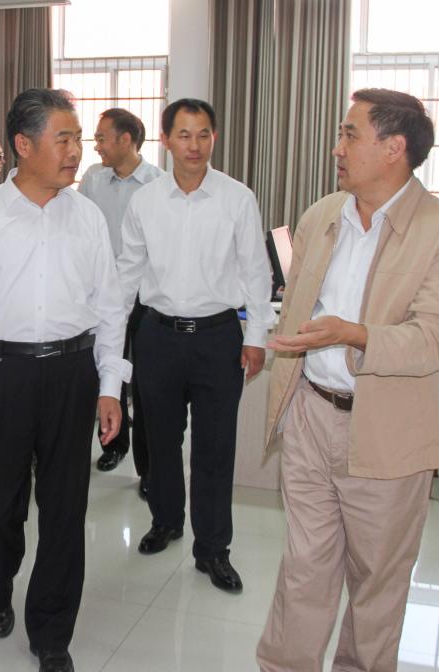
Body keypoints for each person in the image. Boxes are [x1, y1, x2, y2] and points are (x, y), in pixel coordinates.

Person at [255, 89, 439, 672]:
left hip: (388, 433)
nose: (338, 148)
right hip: (311, 416)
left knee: (376, 585)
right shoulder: (322, 216)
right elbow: (297, 304)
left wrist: (354, 335)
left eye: (350, 135)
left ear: (394, 148)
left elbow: (436, 337)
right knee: (303, 570)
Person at [0, 88, 129, 672]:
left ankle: (51, 633)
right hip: (1, 374)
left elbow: (110, 308)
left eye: (77, 139)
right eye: (63, 139)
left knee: (65, 511)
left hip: (72, 373)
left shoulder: (87, 217)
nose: (76, 151)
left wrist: (110, 385)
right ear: (23, 144)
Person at [118, 98, 275, 593]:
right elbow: (127, 274)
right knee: (160, 440)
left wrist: (257, 337)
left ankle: (213, 549)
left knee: (214, 448)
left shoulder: (237, 198)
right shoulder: (145, 201)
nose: (194, 145)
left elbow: (256, 273)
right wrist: (110, 340)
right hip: (157, 336)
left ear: (214, 138)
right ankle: (166, 521)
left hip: (217, 338)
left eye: (203, 134)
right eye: (183, 134)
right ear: (165, 140)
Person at [78, 108, 162, 490]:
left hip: (144, 297)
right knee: (105, 371)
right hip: (99, 293)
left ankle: (147, 467)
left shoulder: (158, 184)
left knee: (144, 382)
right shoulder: (93, 180)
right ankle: (113, 444)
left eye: (101, 138)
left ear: (126, 140)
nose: (96, 146)